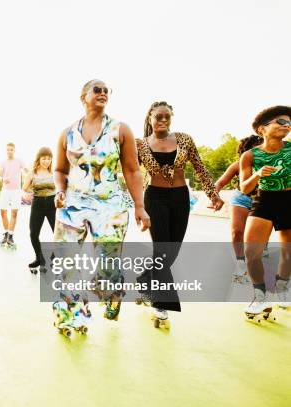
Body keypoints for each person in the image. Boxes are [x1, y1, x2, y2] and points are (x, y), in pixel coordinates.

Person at [53, 79, 150, 333]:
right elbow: (60, 169)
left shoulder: (121, 130)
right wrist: (60, 190)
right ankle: (71, 315)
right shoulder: (68, 133)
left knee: (108, 267)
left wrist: (139, 205)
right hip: (72, 205)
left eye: (107, 90)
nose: (103, 93)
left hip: (110, 206)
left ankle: (113, 293)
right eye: (97, 89)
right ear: (83, 96)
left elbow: (131, 170)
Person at [136, 101, 224, 325]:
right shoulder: (141, 144)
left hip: (180, 197)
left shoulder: (184, 139)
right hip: (154, 198)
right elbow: (132, 173)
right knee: (162, 250)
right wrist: (136, 204)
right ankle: (160, 303)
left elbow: (200, 166)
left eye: (167, 117)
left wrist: (212, 193)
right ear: (150, 119)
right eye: (159, 117)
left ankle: (145, 277)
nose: (163, 120)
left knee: (171, 252)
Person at [239, 105, 291, 318]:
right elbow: (245, 188)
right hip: (264, 200)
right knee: (251, 253)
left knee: (288, 252)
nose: (286, 126)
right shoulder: (250, 156)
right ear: (262, 129)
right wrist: (259, 174)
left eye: (288, 123)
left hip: (289, 200)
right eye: (280, 122)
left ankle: (281, 288)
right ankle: (260, 296)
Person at [215, 135, 266, 282]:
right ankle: (240, 263)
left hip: (262, 201)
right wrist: (215, 196)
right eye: (256, 147)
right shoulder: (238, 165)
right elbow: (220, 182)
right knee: (237, 231)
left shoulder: (272, 163)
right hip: (241, 199)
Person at [22, 147, 55, 273]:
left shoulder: (54, 173)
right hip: (38, 205)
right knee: (33, 233)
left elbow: (62, 188)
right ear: (39, 159)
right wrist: (24, 194)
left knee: (58, 234)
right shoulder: (32, 173)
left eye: (49, 158)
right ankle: (39, 258)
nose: (46, 161)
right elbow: (24, 189)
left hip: (52, 205)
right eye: (44, 158)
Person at [0, 143, 28, 249]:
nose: (9, 151)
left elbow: (27, 171)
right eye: (8, 150)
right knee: (3, 212)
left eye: (11, 149)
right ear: (6, 151)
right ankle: (6, 234)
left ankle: (10, 236)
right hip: (5, 190)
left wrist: (33, 175)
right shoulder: (2, 162)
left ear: (14, 150)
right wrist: (2, 179)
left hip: (16, 191)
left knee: (14, 213)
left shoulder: (19, 161)